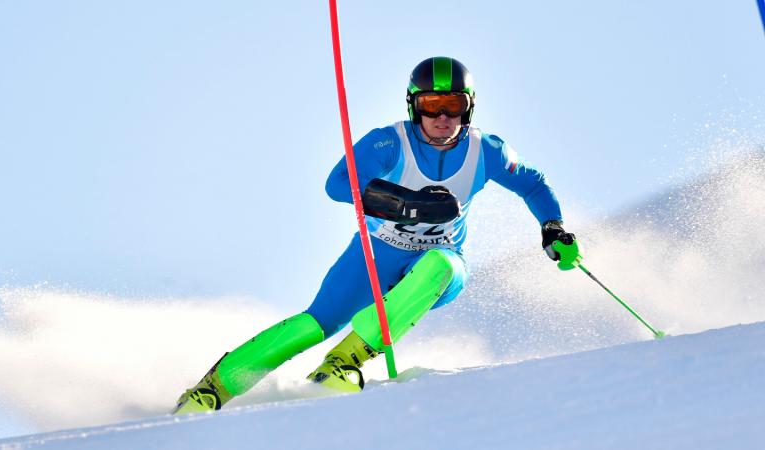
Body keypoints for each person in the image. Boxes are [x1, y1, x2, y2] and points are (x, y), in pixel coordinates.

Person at [172, 56, 580, 414]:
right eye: (431, 105)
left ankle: (342, 362)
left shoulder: (486, 151)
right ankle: (212, 389)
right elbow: (338, 184)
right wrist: (408, 204)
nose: (442, 117)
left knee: (439, 264)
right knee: (313, 325)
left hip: (438, 267)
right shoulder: (389, 141)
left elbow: (534, 184)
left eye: (452, 105)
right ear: (413, 106)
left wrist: (552, 226)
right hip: (375, 256)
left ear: (468, 108)